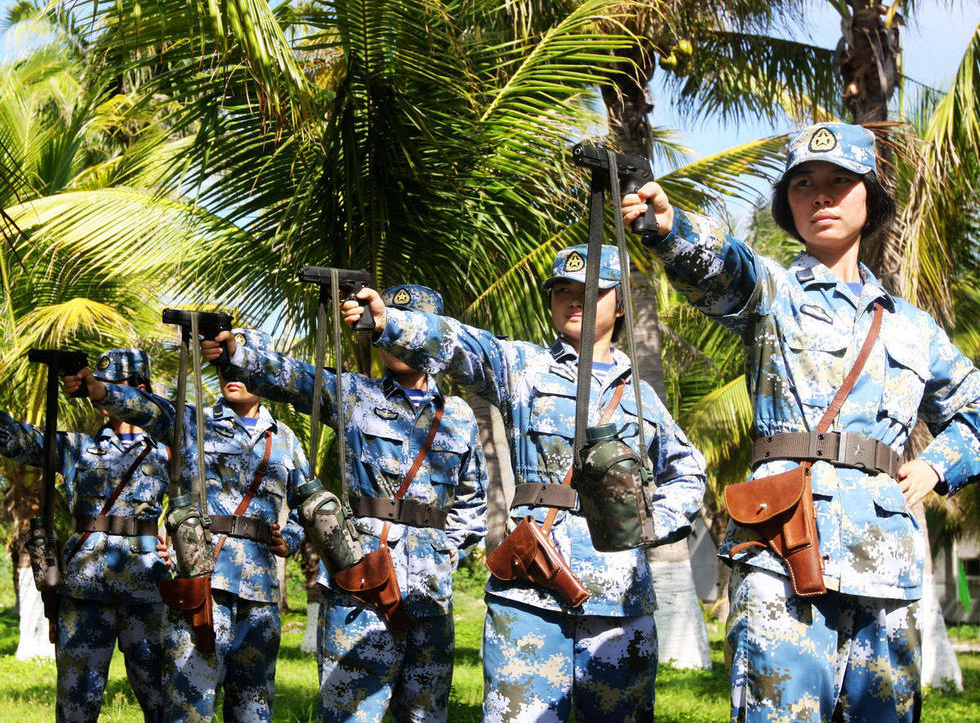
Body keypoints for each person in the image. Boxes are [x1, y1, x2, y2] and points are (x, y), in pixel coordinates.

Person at [621, 121, 980, 721]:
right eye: (803, 184)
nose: (821, 196)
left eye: (840, 182)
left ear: (872, 196)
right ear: (787, 204)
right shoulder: (773, 293)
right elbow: (721, 267)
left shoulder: (915, 329)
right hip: (780, 552)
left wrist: (938, 466)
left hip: (883, 564)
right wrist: (666, 230)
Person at [342, 252, 706, 722]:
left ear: (619, 306)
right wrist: (390, 323)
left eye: (592, 290)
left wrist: (651, 524)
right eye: (563, 290)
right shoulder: (523, 367)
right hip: (529, 593)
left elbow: (688, 471)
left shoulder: (640, 393)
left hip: (620, 601)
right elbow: (458, 343)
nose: (575, 300)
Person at [207, 284, 488, 723]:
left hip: (431, 590)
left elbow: (473, 498)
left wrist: (450, 550)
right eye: (379, 324)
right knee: (349, 711)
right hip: (362, 577)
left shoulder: (458, 415)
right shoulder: (354, 395)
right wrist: (237, 353)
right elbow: (291, 376)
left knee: (425, 713)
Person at [64, 328, 308, 723]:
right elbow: (145, 408)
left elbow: (306, 500)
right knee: (188, 708)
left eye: (242, 365)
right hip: (200, 587)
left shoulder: (286, 440)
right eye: (224, 365)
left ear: (264, 373)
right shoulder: (193, 423)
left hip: (260, 595)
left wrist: (290, 538)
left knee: (254, 708)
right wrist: (98, 391)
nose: (232, 373)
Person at [1, 349, 167, 722]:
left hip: (148, 588)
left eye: (112, 386)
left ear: (139, 389)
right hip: (84, 590)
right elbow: (17, 439)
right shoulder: (77, 448)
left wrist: (177, 545)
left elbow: (203, 500)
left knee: (161, 700)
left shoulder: (167, 451)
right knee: (76, 704)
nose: (99, 395)